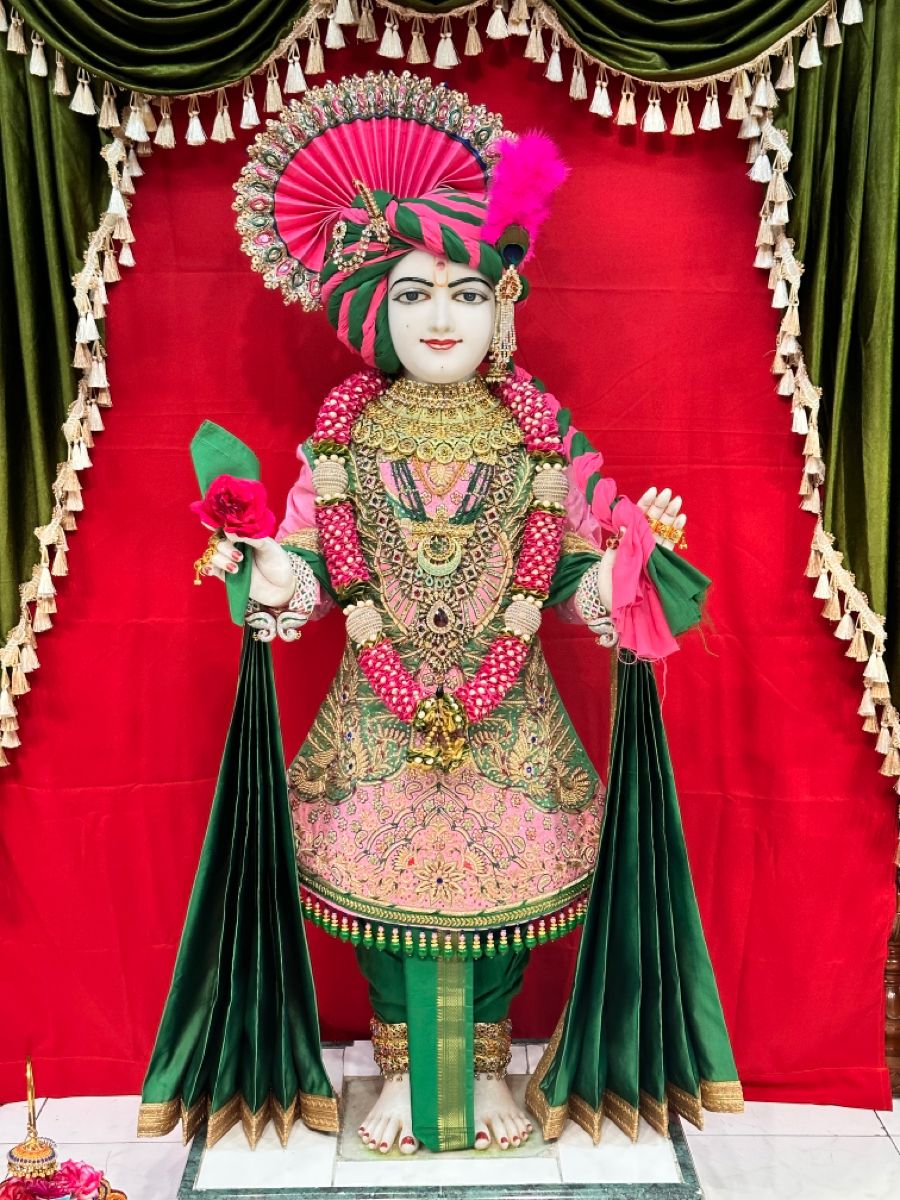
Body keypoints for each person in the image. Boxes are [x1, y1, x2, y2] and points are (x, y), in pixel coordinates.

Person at [140, 70, 741, 1154]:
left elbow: (566, 569)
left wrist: (621, 573)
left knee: (505, 903)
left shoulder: (536, 436)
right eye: (412, 294)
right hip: (376, 721)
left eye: (467, 291)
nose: (442, 316)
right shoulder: (340, 441)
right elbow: (318, 569)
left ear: (502, 307)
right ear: (372, 313)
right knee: (384, 903)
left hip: (511, 723)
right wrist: (272, 572)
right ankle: (406, 1070)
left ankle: (490, 1070)